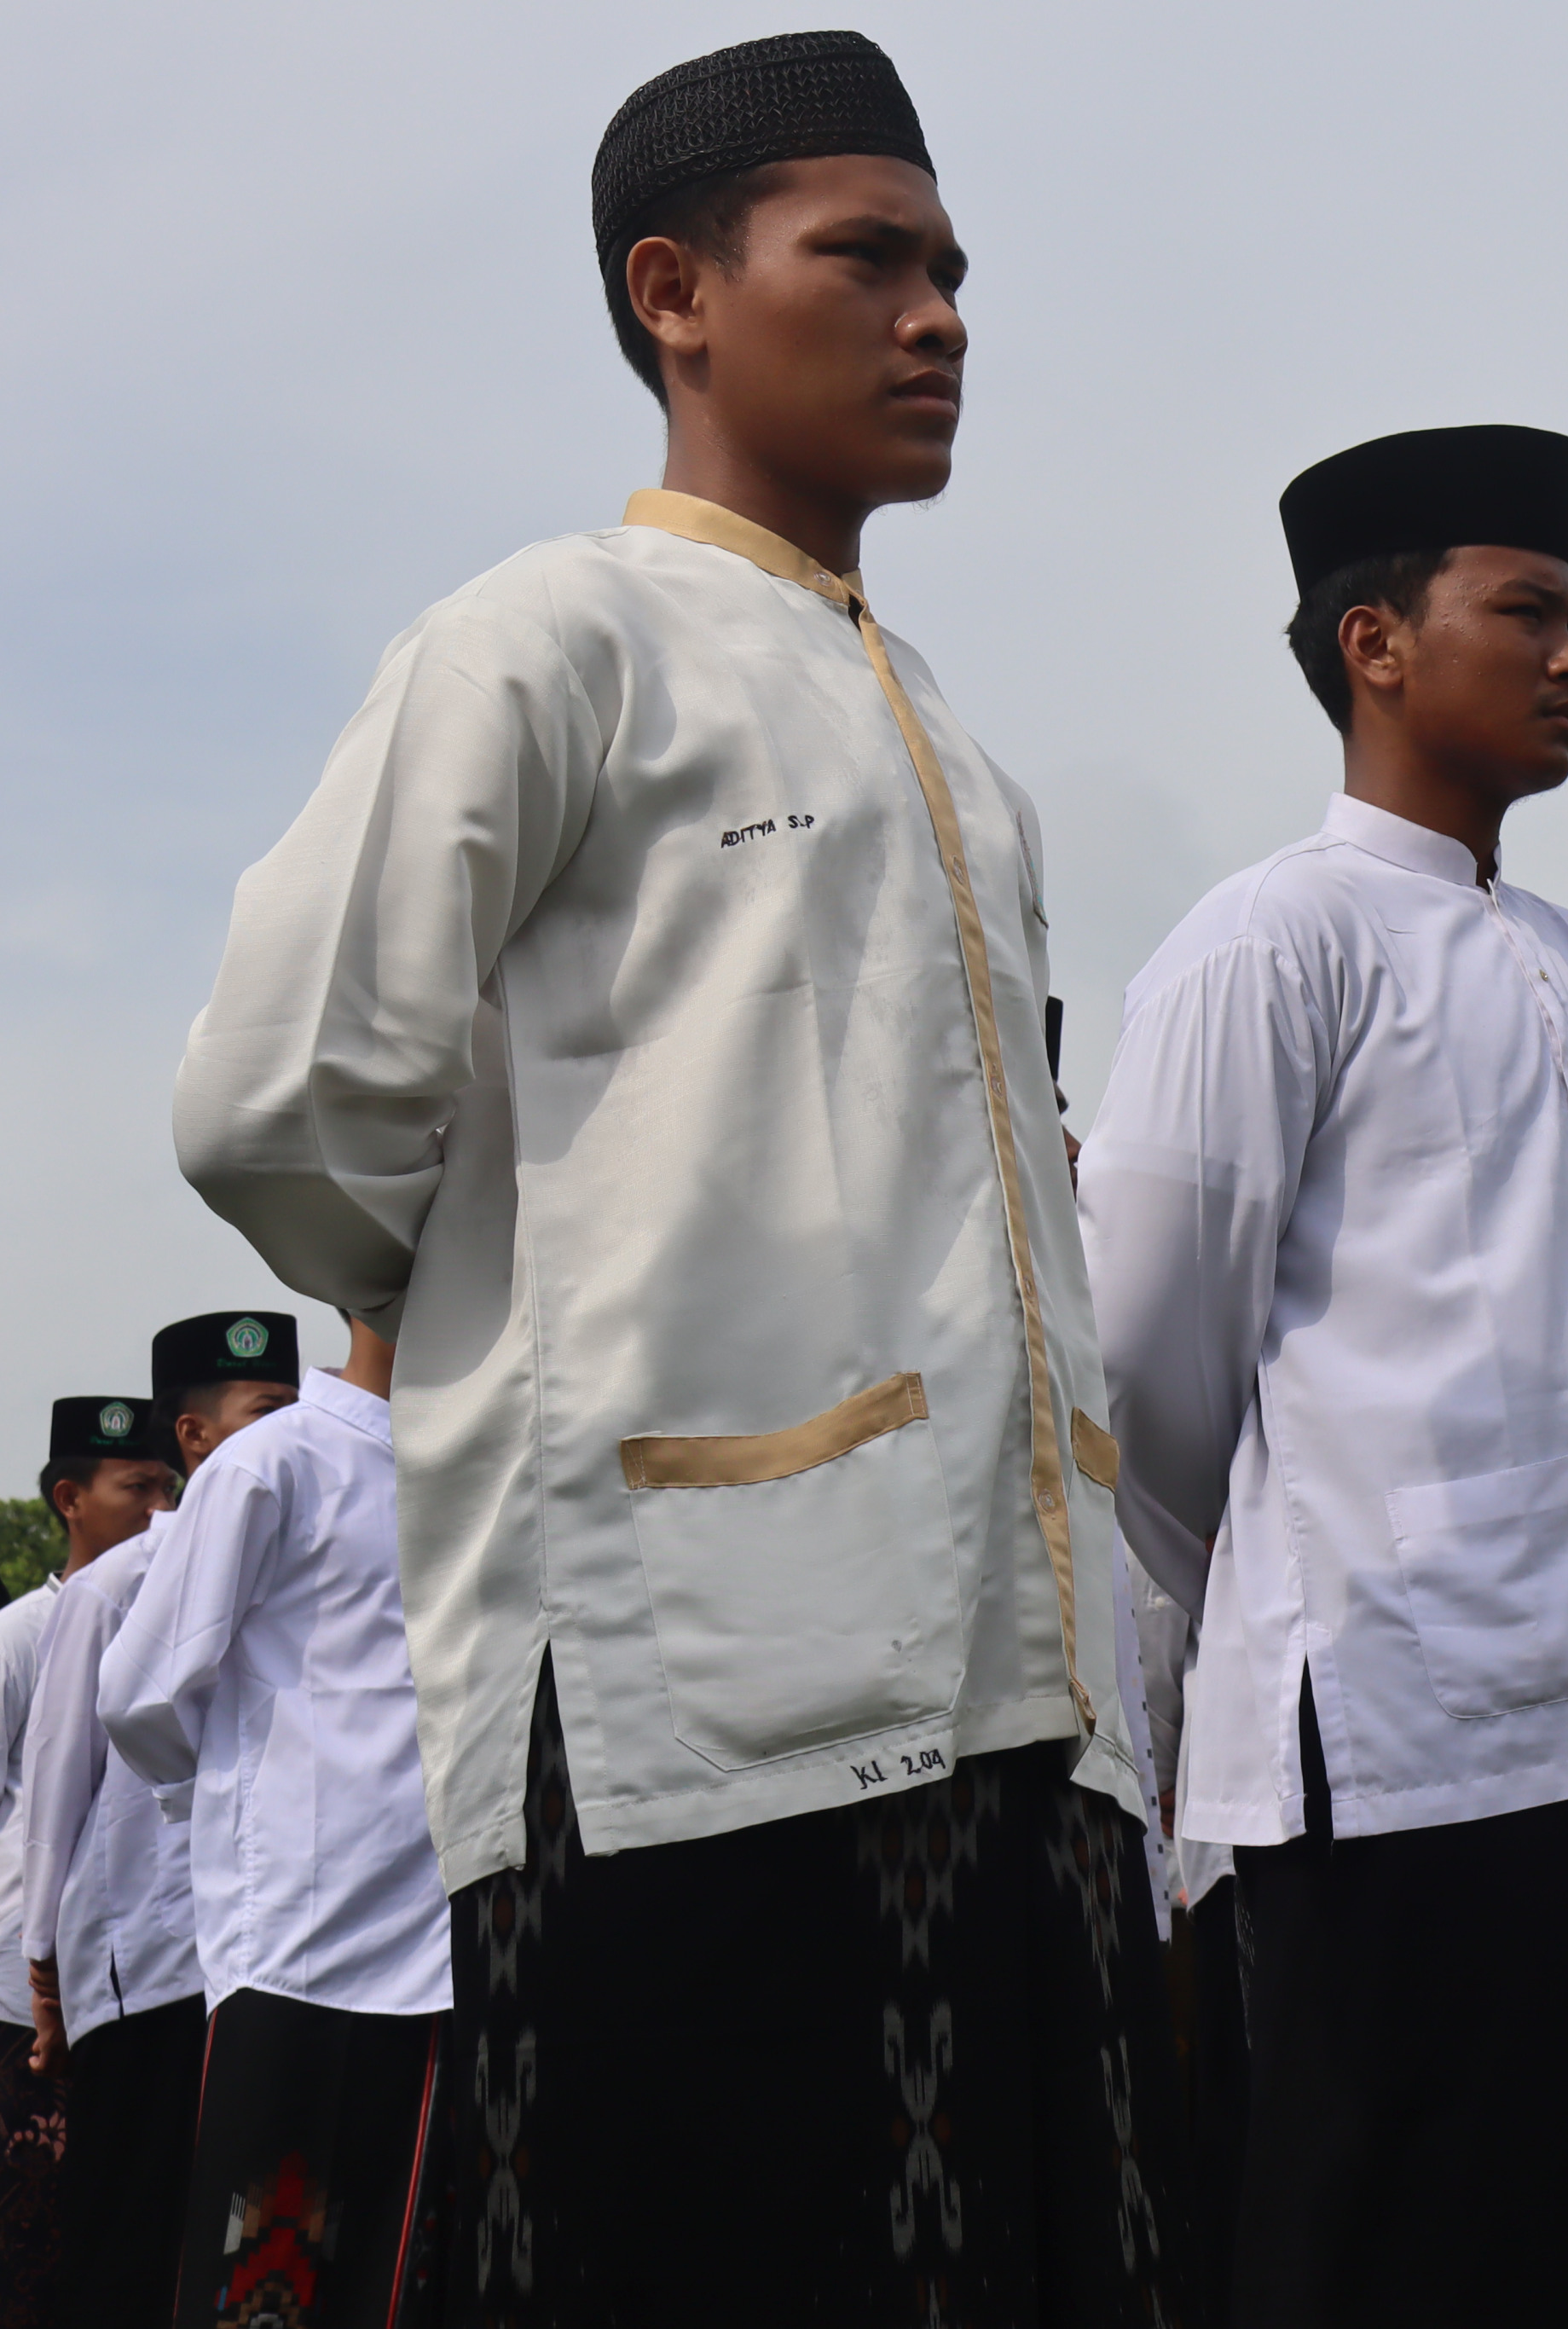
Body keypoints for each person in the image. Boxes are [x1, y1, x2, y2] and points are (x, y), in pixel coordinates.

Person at [171, 37, 1169, 2316]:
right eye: (870, 258)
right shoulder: (552, 644)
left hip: (1016, 1698)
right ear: (676, 291)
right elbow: (279, 1094)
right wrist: (511, 1321)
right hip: (678, 1696)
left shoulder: (958, 747)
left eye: (953, 271)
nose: (938, 316)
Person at [1084, 423, 1568, 2326]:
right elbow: (1148, 1372)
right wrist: (1306, 1588)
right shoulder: (1266, 943)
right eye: (1527, 613)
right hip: (1395, 1749)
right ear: (1374, 643)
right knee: (1406, 2257)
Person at [96, 1318, 443, 2329]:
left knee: (410, 2275)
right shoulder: (275, 1459)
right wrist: (236, 1801)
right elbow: (140, 1690)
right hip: (305, 1939)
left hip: (450, 1934)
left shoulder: (476, 1457)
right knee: (268, 2286)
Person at [24, 1315, 300, 2329]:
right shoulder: (114, 1587)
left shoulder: (303, 1562)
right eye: (266, 1411)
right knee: (129, 2233)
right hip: (149, 1960)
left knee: (253, 2225)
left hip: (270, 1949)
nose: (292, 1431)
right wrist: (46, 1966)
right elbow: (57, 1780)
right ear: (193, 1435)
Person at [0, 1396, 172, 2322]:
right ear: (70, 1498)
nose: (159, 1506)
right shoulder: (24, 1632)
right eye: (136, 1486)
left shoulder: (174, 1611)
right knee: (30, 2242)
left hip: (132, 1976)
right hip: (21, 1988)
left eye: (167, 1485)